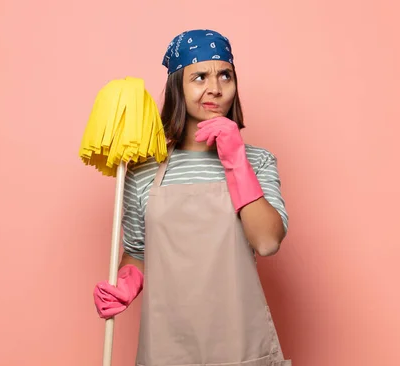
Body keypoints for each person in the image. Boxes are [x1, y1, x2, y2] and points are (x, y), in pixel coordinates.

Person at [92, 29, 291, 366]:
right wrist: (126, 283)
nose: (214, 87)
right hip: (168, 347)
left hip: (239, 344)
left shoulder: (257, 161)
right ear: (177, 88)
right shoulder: (141, 171)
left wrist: (235, 160)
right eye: (199, 77)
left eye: (224, 75)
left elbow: (268, 241)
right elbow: (138, 254)